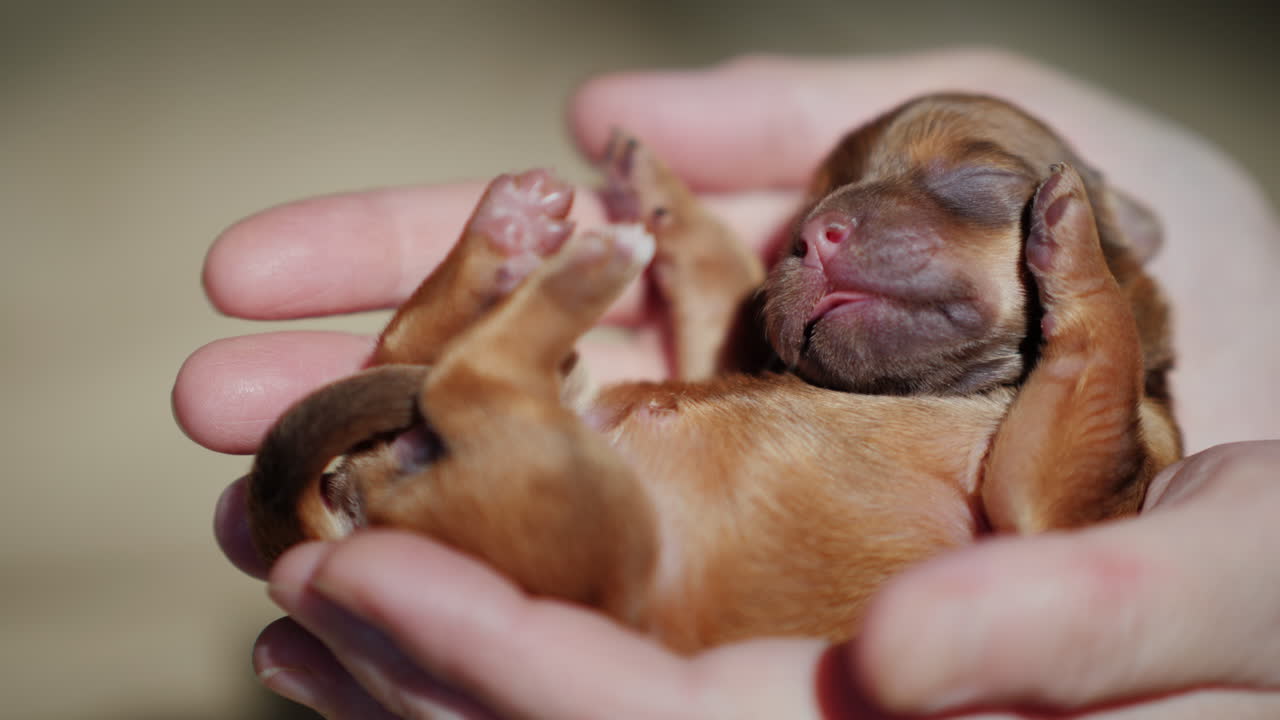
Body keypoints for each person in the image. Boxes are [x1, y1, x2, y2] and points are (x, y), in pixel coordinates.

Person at [174, 49, 1280, 718]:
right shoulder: (851, 398)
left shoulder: (1125, 442)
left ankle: (478, 374)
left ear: (1120, 232)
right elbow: (728, 372)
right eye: (803, 236)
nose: (826, 231)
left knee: (530, 473)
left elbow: (1041, 509)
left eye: (975, 184)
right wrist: (700, 250)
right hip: (564, 475)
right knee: (482, 411)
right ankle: (461, 354)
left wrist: (1084, 307)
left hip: (610, 548)